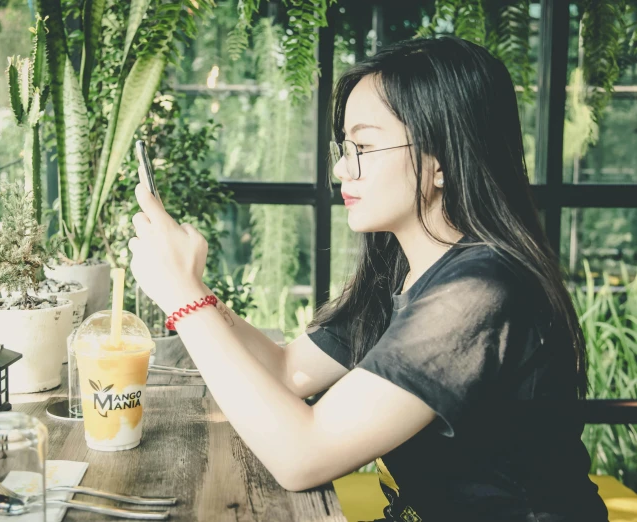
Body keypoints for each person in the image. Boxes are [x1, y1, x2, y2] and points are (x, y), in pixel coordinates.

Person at [127, 36, 608, 521]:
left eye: (365, 146)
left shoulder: (480, 292)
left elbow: (302, 456)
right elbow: (287, 371)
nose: (341, 168)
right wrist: (191, 287)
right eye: (345, 146)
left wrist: (182, 295)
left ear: (439, 161)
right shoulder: (402, 274)